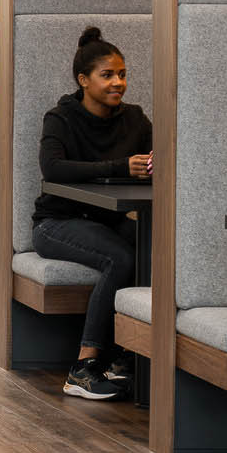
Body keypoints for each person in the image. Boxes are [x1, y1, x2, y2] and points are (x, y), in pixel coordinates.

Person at [32, 26, 153, 402]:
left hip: (110, 220)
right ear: (84, 80)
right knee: (120, 258)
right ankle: (83, 367)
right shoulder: (61, 118)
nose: (118, 82)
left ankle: (125, 357)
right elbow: (53, 169)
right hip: (57, 224)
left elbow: (154, 166)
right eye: (108, 75)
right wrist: (119, 167)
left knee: (151, 250)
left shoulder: (136, 119)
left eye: (123, 74)